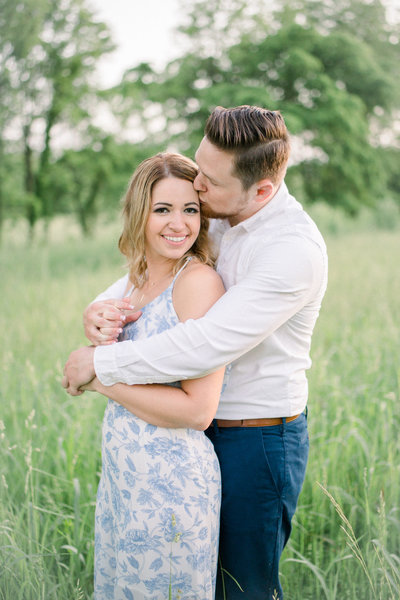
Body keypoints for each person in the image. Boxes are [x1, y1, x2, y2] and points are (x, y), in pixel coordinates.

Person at [63, 105, 328, 600]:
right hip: (194, 439)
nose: (197, 187)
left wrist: (98, 368)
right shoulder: (225, 209)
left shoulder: (291, 252)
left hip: (258, 437)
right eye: (199, 169)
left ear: (262, 191)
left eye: (208, 181)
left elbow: (202, 343)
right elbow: (156, 272)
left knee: (243, 587)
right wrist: (100, 307)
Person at [67, 152, 226, 600]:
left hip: (172, 487)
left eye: (190, 210)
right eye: (163, 209)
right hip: (124, 481)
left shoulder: (197, 284)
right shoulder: (134, 282)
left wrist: (98, 378)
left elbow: (198, 411)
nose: (179, 224)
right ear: (139, 213)